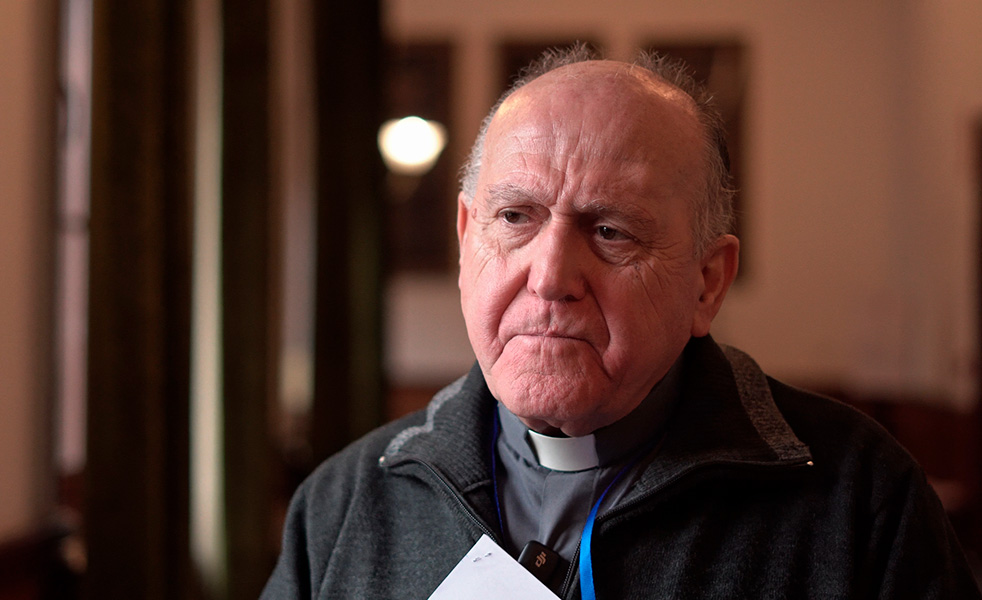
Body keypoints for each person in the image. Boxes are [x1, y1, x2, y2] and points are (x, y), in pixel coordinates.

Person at [261, 46, 981, 599]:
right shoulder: (344, 503)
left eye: (610, 231)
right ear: (464, 240)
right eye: (515, 218)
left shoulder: (860, 500)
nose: (549, 277)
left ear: (708, 281)